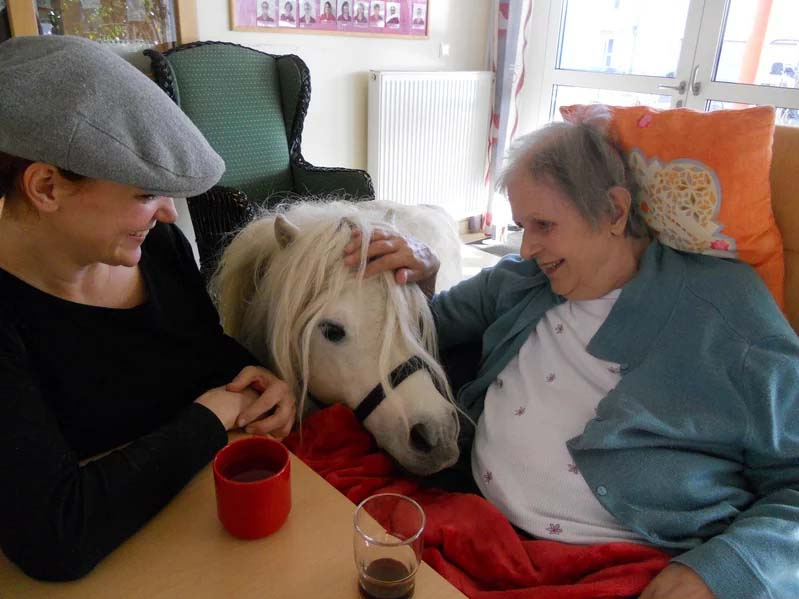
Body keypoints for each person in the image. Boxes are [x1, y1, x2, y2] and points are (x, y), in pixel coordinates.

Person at [343, 120, 799, 599]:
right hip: (474, 528)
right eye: (522, 227)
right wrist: (428, 271)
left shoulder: (726, 312)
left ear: (614, 211)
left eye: (544, 225)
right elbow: (421, 329)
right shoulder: (522, 279)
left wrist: (720, 570)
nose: (526, 248)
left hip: (628, 567)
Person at [0, 36, 297, 581]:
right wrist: (213, 415)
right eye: (144, 194)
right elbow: (54, 534)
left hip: (207, 539)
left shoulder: (156, 251)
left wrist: (249, 375)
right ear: (46, 186)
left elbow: (195, 349)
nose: (167, 215)